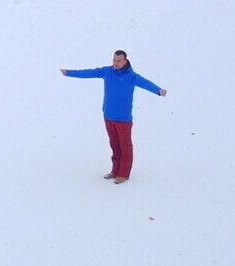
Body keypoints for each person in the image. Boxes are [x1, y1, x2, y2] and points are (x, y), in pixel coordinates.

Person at [60, 50, 166, 182]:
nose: (116, 63)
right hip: (108, 115)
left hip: (123, 118)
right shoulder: (107, 71)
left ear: (125, 61)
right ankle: (115, 170)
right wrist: (69, 73)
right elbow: (89, 72)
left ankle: (124, 173)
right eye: (114, 60)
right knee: (114, 145)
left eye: (119, 61)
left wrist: (158, 90)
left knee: (124, 146)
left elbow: (146, 83)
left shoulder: (131, 76)